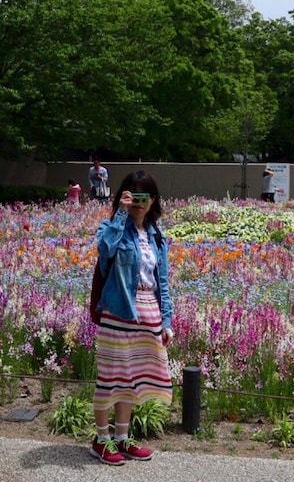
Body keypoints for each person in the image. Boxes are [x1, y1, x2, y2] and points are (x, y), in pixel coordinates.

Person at [90, 170, 174, 466]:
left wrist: (167, 321)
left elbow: (162, 282)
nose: (139, 202)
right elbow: (105, 250)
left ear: (153, 200)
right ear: (123, 197)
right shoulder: (112, 227)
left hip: (148, 311)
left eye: (144, 196)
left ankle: (122, 437)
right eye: (133, 195)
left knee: (132, 379)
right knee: (110, 377)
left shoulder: (157, 237)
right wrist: (121, 215)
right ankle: (101, 440)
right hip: (118, 311)